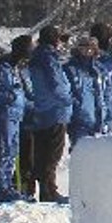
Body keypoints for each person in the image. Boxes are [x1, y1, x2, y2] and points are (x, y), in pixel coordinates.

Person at [25, 25, 73, 202]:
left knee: (42, 153)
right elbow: (56, 83)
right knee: (52, 154)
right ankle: (49, 190)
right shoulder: (49, 58)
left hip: (41, 108)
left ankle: (44, 188)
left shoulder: (36, 56)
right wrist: (68, 98)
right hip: (55, 110)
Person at [0, 35, 32, 203]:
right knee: (4, 149)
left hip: (16, 115)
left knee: (13, 150)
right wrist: (12, 97)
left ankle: (9, 184)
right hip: (5, 115)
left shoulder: (16, 68)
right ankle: (2, 187)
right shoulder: (1, 67)